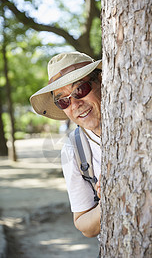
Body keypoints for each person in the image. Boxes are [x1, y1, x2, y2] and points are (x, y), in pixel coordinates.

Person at [30, 52, 102, 238]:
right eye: (63, 100)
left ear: (101, 81)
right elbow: (84, 225)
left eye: (80, 89)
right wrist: (111, 199)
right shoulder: (74, 148)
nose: (75, 104)